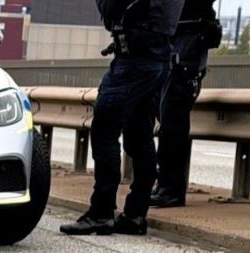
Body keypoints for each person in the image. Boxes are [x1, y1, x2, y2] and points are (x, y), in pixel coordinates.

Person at [61, 0, 186, 237]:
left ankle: (101, 212)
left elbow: (112, 9)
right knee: (140, 135)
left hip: (136, 58)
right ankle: (135, 214)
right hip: (158, 57)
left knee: (104, 131)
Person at [151, 0, 223, 208]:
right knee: (167, 113)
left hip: (190, 34)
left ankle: (170, 188)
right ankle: (165, 185)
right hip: (174, 34)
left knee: (173, 112)